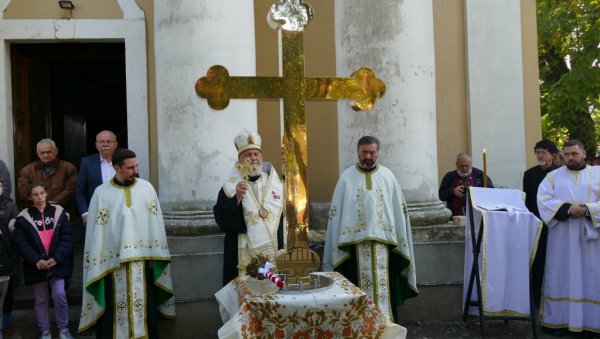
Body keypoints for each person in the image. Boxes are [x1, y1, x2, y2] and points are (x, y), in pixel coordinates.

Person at [78, 149, 175, 339]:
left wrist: (154, 254)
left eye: (136, 166)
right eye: (130, 168)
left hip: (142, 262)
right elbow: (97, 233)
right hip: (111, 265)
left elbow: (154, 224)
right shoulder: (101, 193)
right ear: (117, 168)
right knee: (113, 312)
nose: (135, 170)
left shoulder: (147, 189)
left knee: (145, 308)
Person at [322, 136, 418, 323]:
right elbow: (336, 214)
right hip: (353, 248)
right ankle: (359, 328)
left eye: (372, 152)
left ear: (378, 153)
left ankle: (387, 327)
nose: (368, 156)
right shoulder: (346, 179)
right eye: (364, 152)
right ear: (358, 152)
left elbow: (399, 212)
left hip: (385, 246)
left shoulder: (388, 177)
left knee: (386, 290)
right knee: (354, 289)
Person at [537, 139, 600, 335]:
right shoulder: (553, 177)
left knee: (591, 276)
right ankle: (559, 322)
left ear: (584, 153)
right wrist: (567, 208)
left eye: (574, 154)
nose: (570, 158)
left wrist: (587, 209)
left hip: (590, 238)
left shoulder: (597, 174)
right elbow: (543, 199)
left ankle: (592, 323)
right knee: (560, 275)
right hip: (561, 238)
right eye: (567, 154)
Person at [213, 130, 284, 286]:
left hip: (273, 249)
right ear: (240, 159)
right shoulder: (231, 187)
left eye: (256, 154)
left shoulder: (274, 184)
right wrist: (236, 198)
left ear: (261, 157)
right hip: (243, 253)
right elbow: (221, 219)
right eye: (248, 155)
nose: (253, 158)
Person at [14, 183, 73, 339]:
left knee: (59, 295)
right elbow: (21, 243)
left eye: (42, 193)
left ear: (47, 194)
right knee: (40, 299)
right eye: (35, 194)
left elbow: (67, 238)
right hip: (37, 265)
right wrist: (36, 259)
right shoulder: (23, 217)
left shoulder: (59, 212)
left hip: (57, 263)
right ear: (30, 197)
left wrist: (57, 257)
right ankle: (45, 331)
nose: (39, 197)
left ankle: (64, 329)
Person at [522, 139, 560, 308]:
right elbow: (527, 201)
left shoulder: (561, 173)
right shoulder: (529, 174)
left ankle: (558, 300)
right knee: (537, 263)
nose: (539, 155)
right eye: (537, 152)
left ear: (553, 155)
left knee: (558, 262)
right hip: (537, 225)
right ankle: (536, 300)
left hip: (558, 226)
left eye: (543, 152)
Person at [17, 139, 77, 208]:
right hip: (36, 211)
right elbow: (24, 192)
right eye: (42, 153)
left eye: (48, 152)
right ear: (37, 153)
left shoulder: (68, 168)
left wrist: (52, 204)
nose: (45, 155)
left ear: (56, 151)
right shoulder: (27, 170)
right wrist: (40, 203)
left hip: (62, 210)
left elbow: (71, 189)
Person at [75, 130, 118, 225]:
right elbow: (80, 191)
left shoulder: (124, 160)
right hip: (96, 213)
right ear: (96, 145)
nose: (105, 144)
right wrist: (85, 213)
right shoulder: (87, 163)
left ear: (116, 144)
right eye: (101, 141)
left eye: (109, 141)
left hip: (120, 211)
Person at [0, 180, 17, 339]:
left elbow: (15, 230)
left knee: (7, 290)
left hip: (6, 253)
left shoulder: (9, 205)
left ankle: (6, 314)